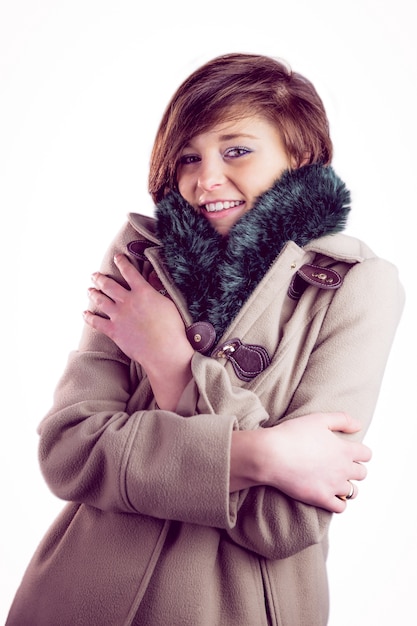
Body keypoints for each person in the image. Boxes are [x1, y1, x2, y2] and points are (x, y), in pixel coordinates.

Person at [6, 53, 404, 626]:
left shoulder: (356, 287)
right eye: (187, 156)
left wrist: (172, 366)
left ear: (300, 154)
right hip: (74, 598)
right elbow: (68, 451)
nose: (205, 178)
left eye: (236, 149)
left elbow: (283, 521)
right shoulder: (139, 262)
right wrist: (263, 454)